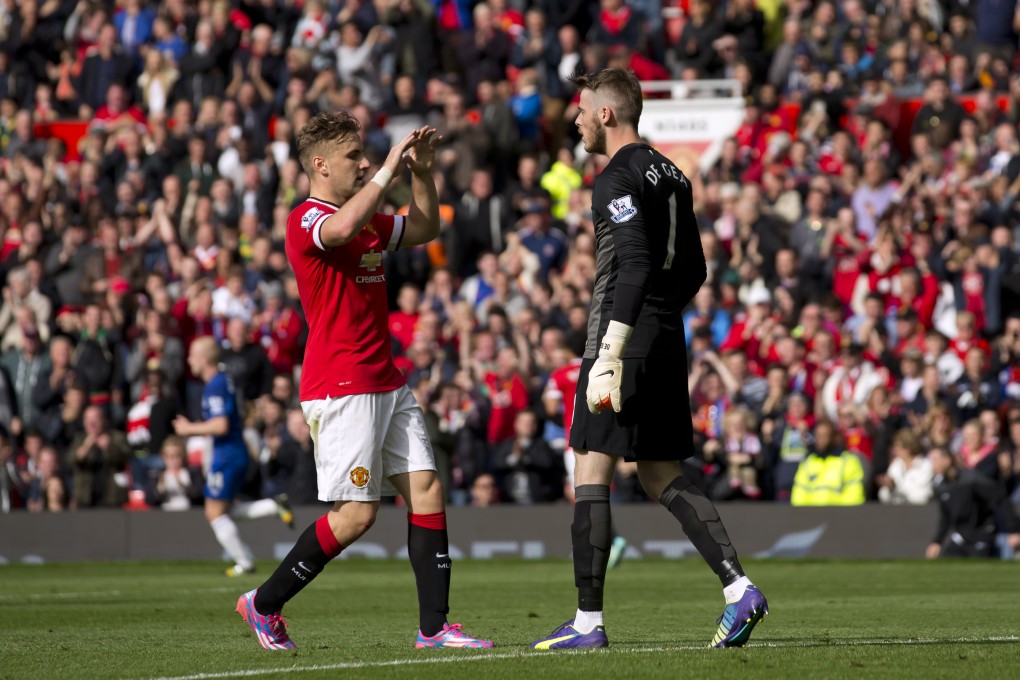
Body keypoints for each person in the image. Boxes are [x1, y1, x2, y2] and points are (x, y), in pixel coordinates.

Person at [235, 112, 492, 652]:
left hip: (386, 379)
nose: (366, 163)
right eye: (355, 156)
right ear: (321, 165)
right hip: (341, 385)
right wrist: (390, 171)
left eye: (367, 155)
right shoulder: (305, 219)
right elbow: (344, 228)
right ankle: (264, 603)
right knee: (356, 516)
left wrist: (420, 173)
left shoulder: (367, 215)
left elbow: (426, 229)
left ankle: (434, 628)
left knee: (426, 489)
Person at [532, 68, 767, 652]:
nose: (577, 118)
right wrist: (659, 316)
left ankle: (588, 622)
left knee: (591, 467)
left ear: (606, 114)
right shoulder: (674, 172)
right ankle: (739, 588)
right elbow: (694, 271)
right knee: (661, 472)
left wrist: (612, 350)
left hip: (623, 335)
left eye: (584, 110)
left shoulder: (616, 175)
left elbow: (633, 265)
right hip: (665, 332)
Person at [172, 337, 294, 576]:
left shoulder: (215, 385)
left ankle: (245, 562)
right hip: (233, 451)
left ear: (205, 359)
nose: (189, 360)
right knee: (221, 510)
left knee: (214, 513)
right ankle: (272, 506)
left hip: (227, 454)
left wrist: (189, 429)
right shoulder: (224, 380)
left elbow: (220, 425)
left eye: (193, 355)